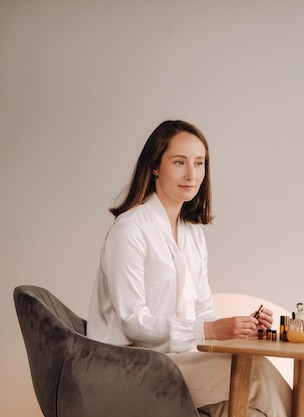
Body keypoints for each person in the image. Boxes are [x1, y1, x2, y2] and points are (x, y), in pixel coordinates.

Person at [87, 120, 292, 417]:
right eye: (179, 162)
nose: (191, 174)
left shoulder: (192, 232)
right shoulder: (130, 230)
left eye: (199, 163)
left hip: (176, 360)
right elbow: (133, 321)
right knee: (256, 372)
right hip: (130, 365)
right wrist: (209, 329)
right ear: (155, 166)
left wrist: (238, 328)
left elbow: (201, 311)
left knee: (248, 408)